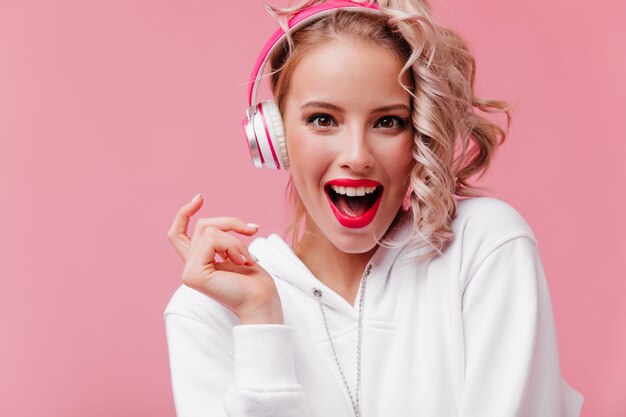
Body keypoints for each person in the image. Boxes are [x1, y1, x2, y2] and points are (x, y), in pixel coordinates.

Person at [164, 1, 584, 416]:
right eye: (323, 120)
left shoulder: (484, 250)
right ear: (274, 137)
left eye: (387, 122)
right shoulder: (207, 310)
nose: (357, 156)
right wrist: (261, 322)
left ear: (418, 132)